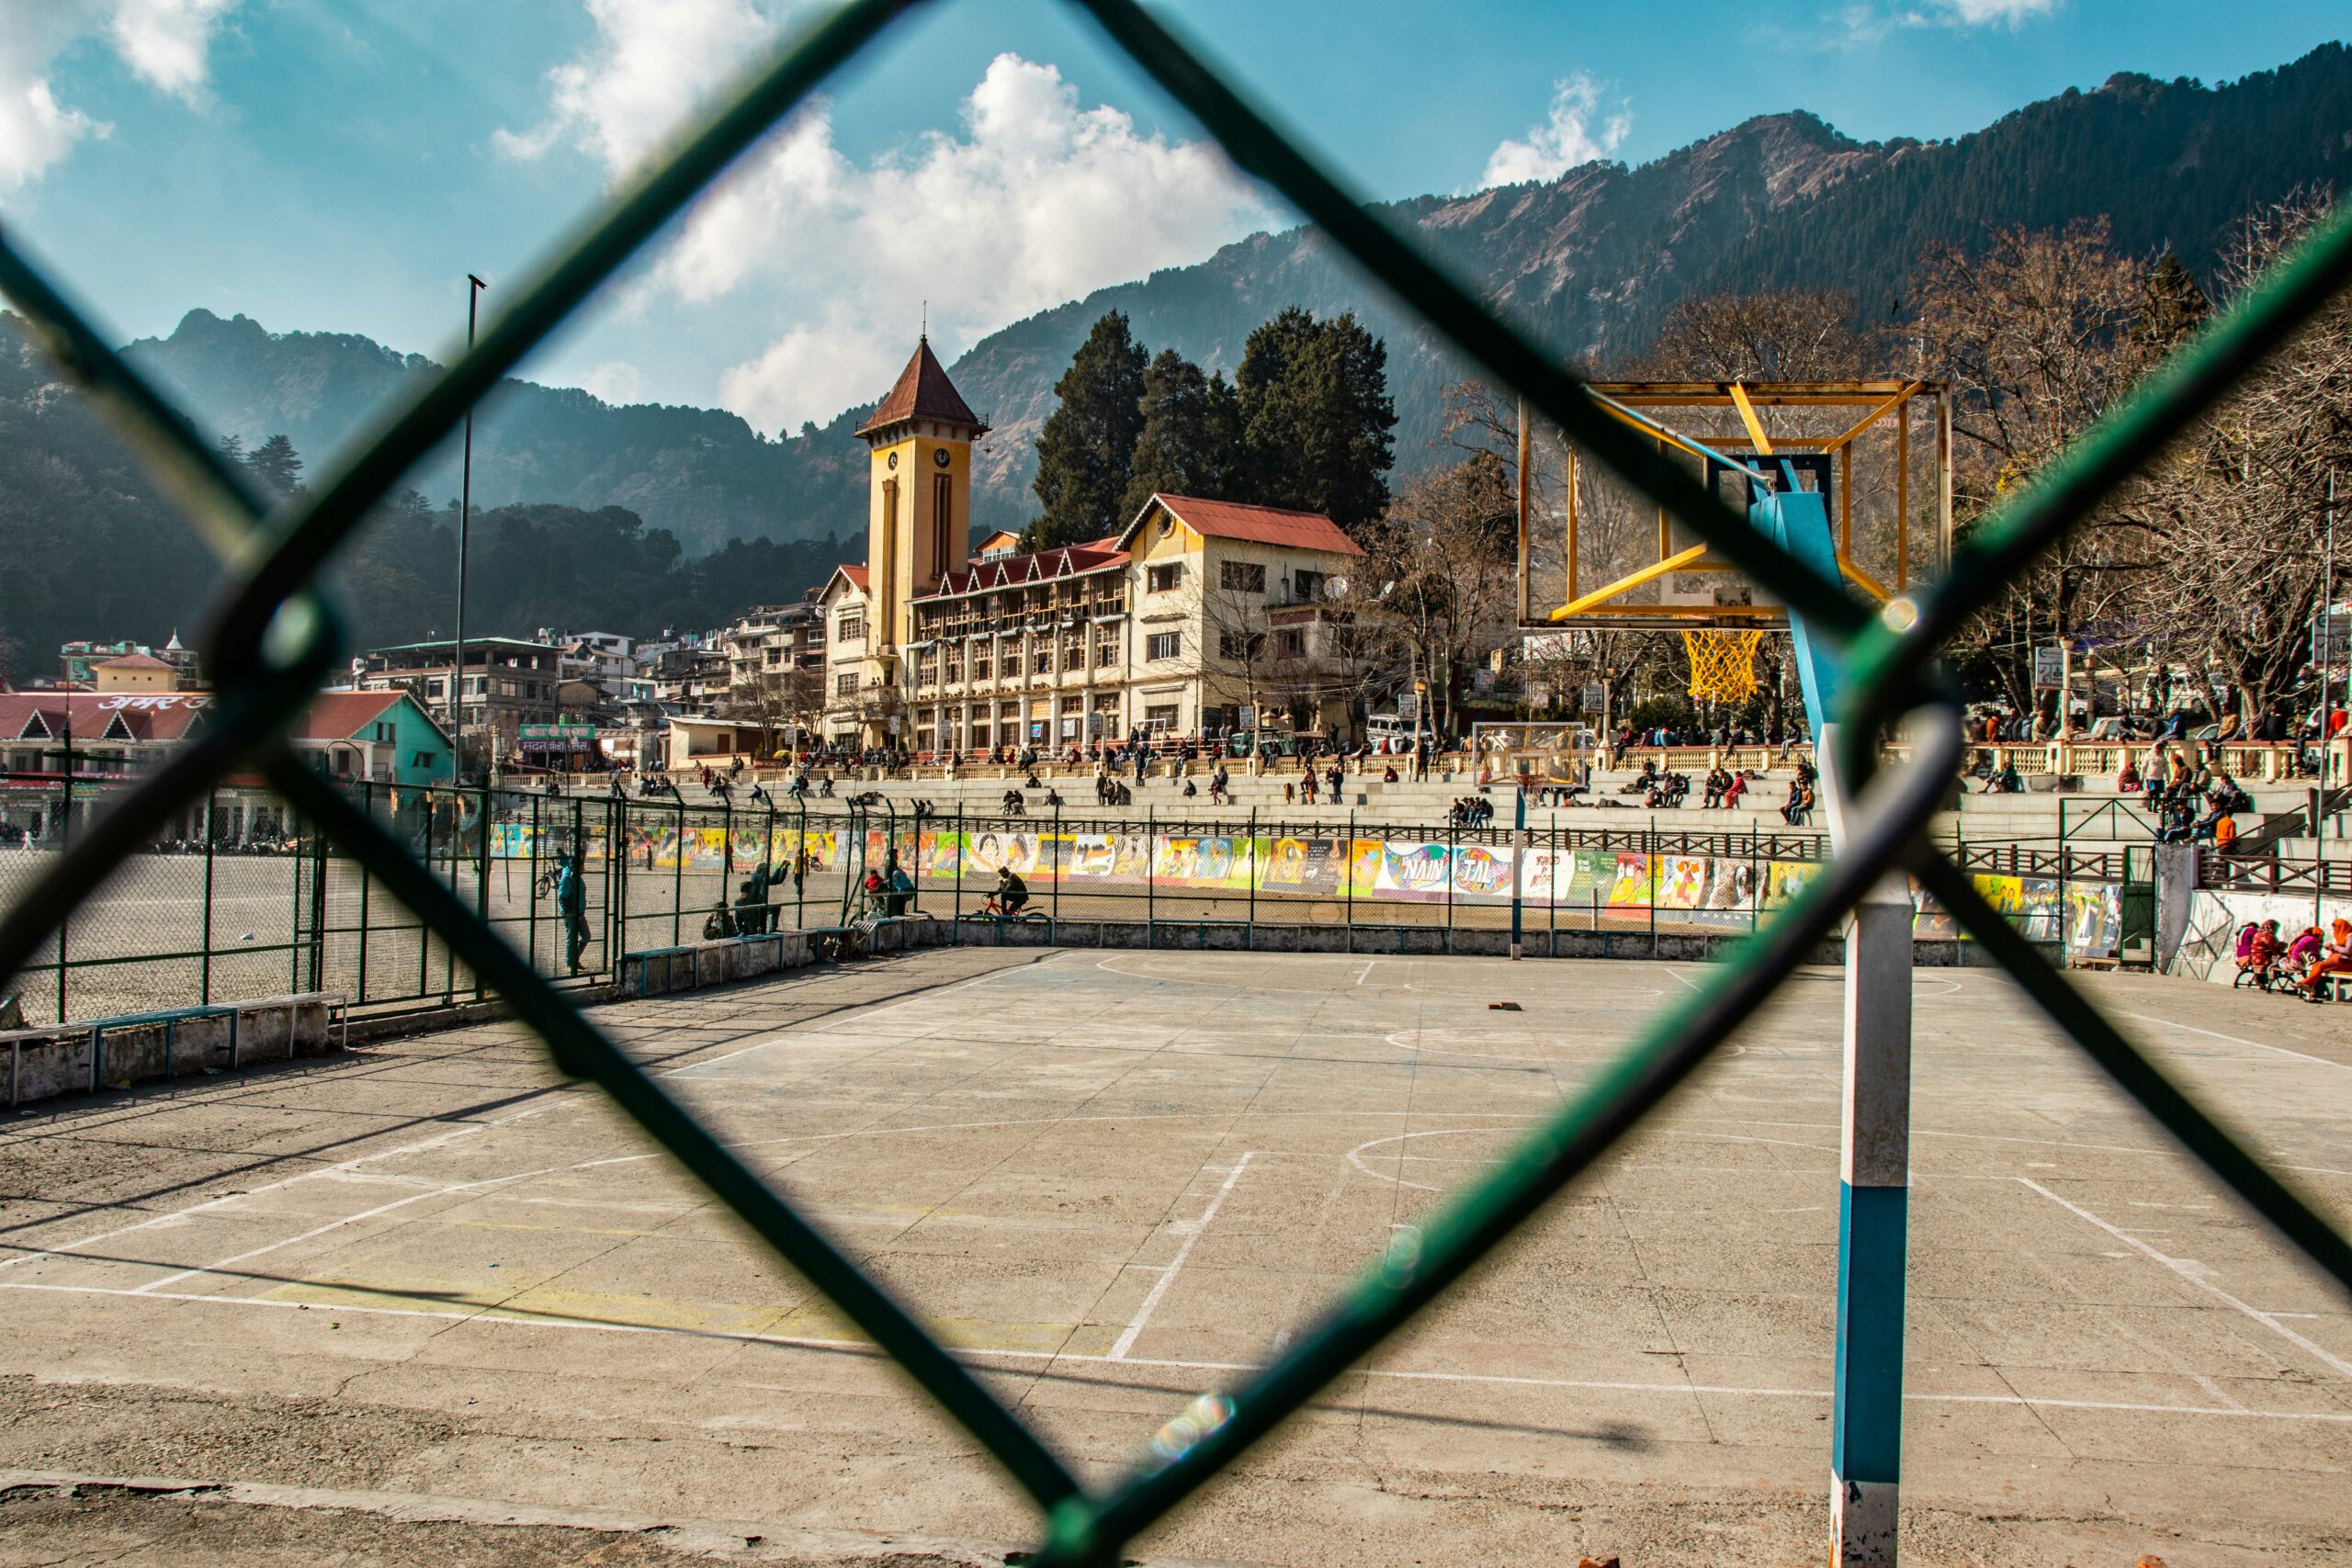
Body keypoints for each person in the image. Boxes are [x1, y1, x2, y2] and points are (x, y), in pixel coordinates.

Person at [553, 849, 590, 974]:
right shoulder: (567, 879)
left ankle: (575, 958)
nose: (583, 869)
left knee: (586, 936)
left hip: (580, 913)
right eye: (581, 866)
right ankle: (570, 963)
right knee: (571, 938)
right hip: (571, 914)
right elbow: (562, 897)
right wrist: (569, 912)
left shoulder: (576, 876)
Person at [2300, 918, 2352, 1002]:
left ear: (2342, 927)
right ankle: (2308, 985)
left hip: (2346, 963)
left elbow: (2348, 951)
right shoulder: (2341, 936)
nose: (2335, 931)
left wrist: (2334, 947)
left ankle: (2306, 984)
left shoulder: (2350, 936)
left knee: (2320, 965)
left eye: (2336, 928)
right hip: (2339, 961)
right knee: (2316, 965)